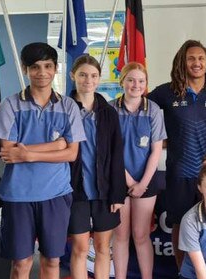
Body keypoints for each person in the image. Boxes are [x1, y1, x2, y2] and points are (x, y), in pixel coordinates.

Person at [0, 42, 85, 279]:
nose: (42, 72)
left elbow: (72, 154)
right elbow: (10, 152)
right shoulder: (10, 105)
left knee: (52, 261)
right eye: (35, 67)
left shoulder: (68, 106)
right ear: (25, 69)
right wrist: (56, 145)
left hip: (55, 195)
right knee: (21, 263)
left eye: (47, 66)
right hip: (18, 197)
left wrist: (29, 154)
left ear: (55, 69)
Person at [148, 39, 206, 268]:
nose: (196, 63)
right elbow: (141, 114)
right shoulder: (166, 92)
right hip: (179, 172)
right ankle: (183, 271)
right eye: (191, 58)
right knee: (181, 225)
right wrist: (158, 142)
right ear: (182, 63)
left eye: (201, 58)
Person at [67, 55, 125, 279]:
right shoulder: (64, 108)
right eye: (82, 75)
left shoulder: (108, 112)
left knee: (103, 247)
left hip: (104, 191)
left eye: (93, 75)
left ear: (99, 79)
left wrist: (117, 194)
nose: (87, 80)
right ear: (73, 76)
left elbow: (117, 154)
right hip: (75, 190)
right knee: (80, 248)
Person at [111, 62, 166, 279]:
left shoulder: (152, 109)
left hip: (146, 179)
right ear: (122, 81)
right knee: (121, 236)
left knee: (141, 235)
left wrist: (142, 183)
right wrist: (128, 181)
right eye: (131, 80)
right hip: (118, 179)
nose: (136, 85)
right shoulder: (110, 109)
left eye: (141, 81)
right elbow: (111, 151)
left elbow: (156, 151)